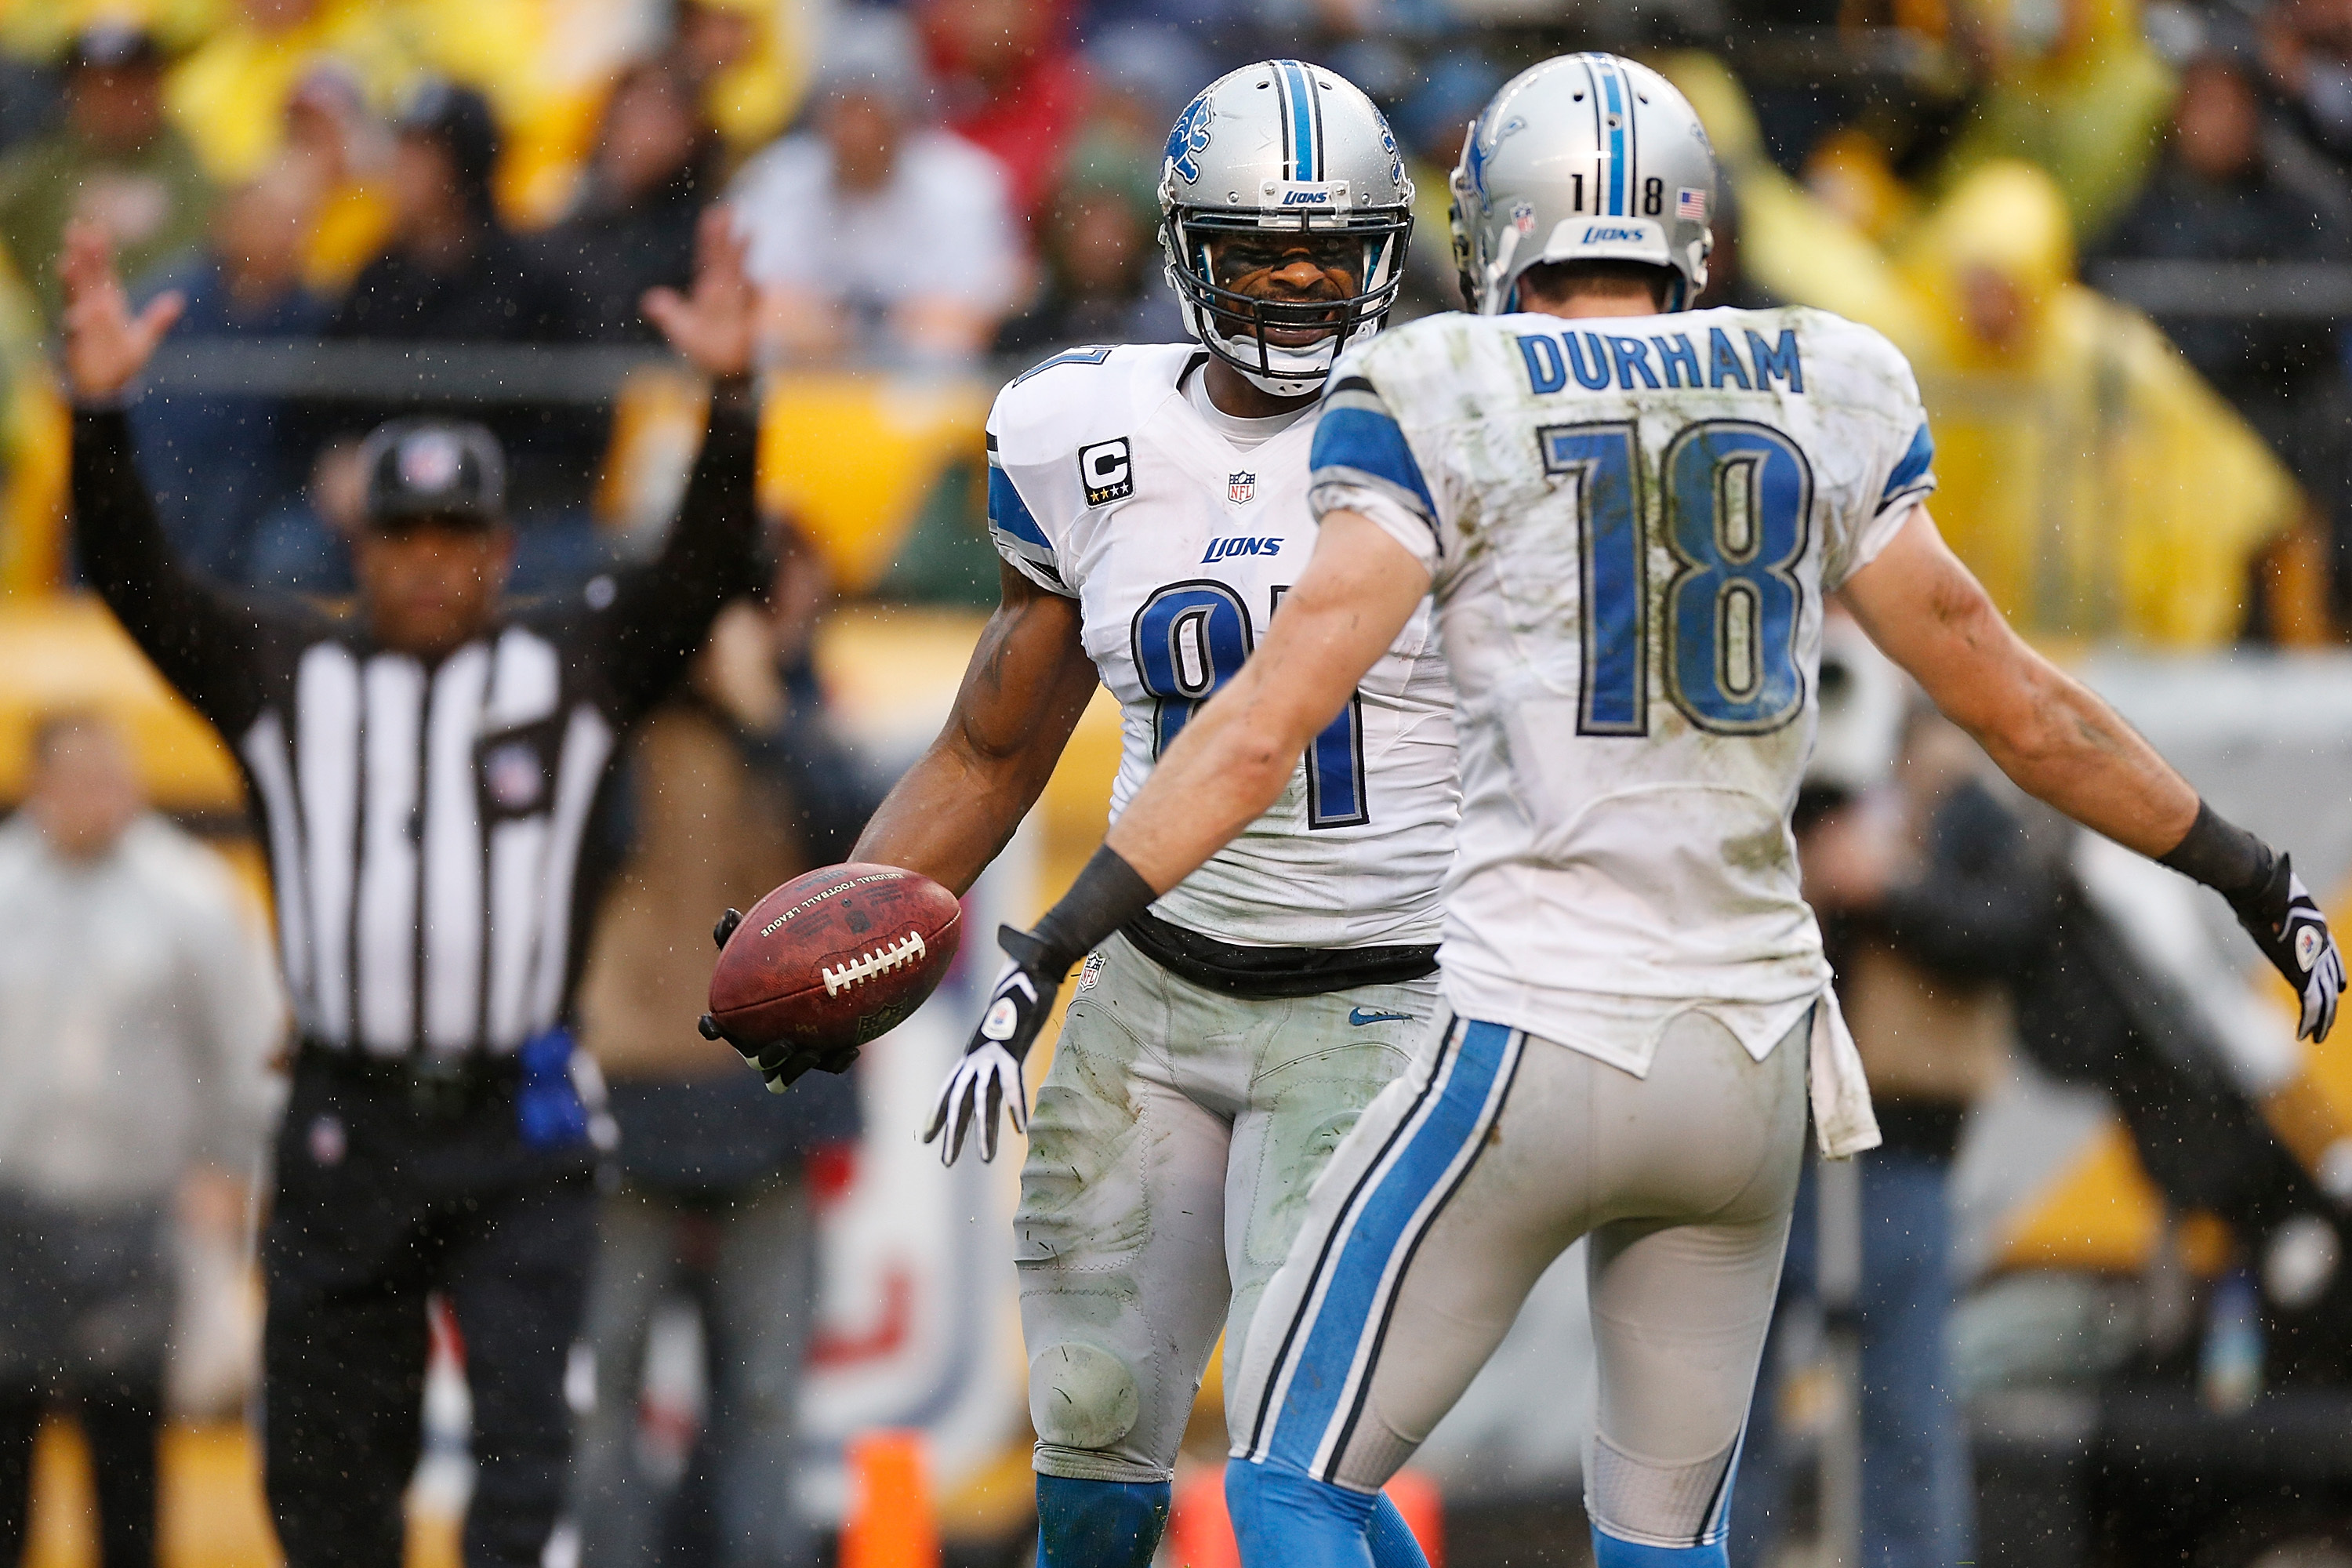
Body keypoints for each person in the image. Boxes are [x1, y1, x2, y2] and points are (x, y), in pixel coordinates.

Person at [929, 53, 2349, 1568]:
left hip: (1530, 1033)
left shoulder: (1437, 387)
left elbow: (1262, 727)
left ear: (1490, 230)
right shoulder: (1822, 378)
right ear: (1695, 233)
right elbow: (2020, 705)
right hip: (1746, 1065)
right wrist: (2250, 870)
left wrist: (1056, 940)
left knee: (1291, 1485)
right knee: (1665, 1549)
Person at [724, 60, 1443, 1568]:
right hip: (1153, 994)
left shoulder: (1457, 425)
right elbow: (994, 752)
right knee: (1094, 1466)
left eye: (1331, 254)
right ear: (1189, 254)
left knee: (1305, 1474)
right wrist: (843, 913)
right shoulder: (1084, 432)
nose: (1303, 287)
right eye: (1261, 254)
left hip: (1379, 1001)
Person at [56, 201, 767, 1568]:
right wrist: (95, 423)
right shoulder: (286, 675)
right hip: (345, 1121)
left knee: (522, 1462)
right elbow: (142, 584)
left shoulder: (567, 667)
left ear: (500, 551)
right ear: (362, 550)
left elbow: (697, 574)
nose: (432, 563)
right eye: (406, 537)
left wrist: (732, 401)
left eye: (458, 537)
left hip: (519, 1118)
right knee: (323, 1467)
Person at [569, 589, 867, 1568]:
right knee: (609, 1386)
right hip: (632, 1099)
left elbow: (870, 860)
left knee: (762, 1396)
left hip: (764, 1106)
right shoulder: (609, 721)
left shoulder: (800, 725)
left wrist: (769, 719)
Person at [0, 710, 280, 1568]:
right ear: (40, 786)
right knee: (6, 1444)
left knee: (127, 1443)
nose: (97, 797)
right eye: (77, 778)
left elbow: (252, 1043)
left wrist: (230, 1166)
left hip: (141, 1207)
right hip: (14, 1203)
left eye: (111, 774)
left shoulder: (191, 894)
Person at [729, 9, 1022, 365]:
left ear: (905, 115)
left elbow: (976, 316)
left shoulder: (965, 186)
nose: (859, 133)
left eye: (873, 113)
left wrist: (849, 330)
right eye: (846, 112)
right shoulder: (776, 180)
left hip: (924, 402)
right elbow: (752, 306)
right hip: (803, 389)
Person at [129, 165, 329, 582]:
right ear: (227, 218)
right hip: (171, 480)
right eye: (267, 215)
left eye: (292, 219)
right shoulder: (165, 303)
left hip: (264, 495)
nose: (279, 232)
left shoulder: (318, 319)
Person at [0, 25, 212, 322]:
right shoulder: (43, 168)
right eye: (97, 86)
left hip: (174, 346)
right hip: (57, 344)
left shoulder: (196, 166)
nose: (112, 102)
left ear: (156, 88)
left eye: (128, 85)